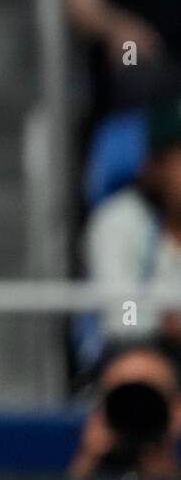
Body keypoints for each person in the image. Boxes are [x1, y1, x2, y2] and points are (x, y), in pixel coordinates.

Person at [84, 94, 181, 352]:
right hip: (147, 356)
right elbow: (122, 320)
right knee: (137, 372)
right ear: (157, 166)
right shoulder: (118, 221)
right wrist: (164, 323)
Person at [68, 342, 181, 480]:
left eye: (148, 403)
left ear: (176, 410)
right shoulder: (92, 462)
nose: (137, 413)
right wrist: (87, 463)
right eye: (124, 402)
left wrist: (165, 466)